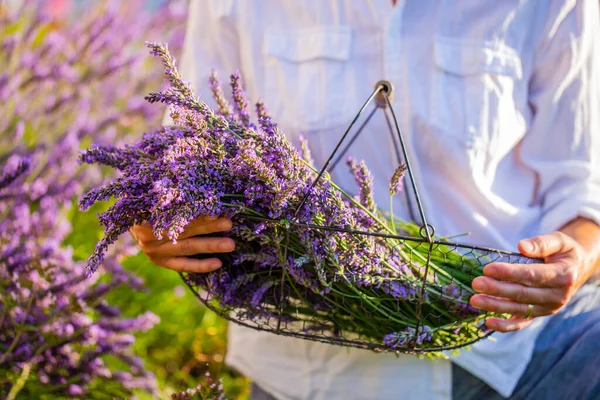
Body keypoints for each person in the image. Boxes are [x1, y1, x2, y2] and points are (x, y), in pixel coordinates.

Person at [129, 1, 600, 398]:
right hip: (311, 374)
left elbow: (584, 185)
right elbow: (188, 152)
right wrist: (165, 218)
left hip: (522, 357)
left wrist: (576, 256)